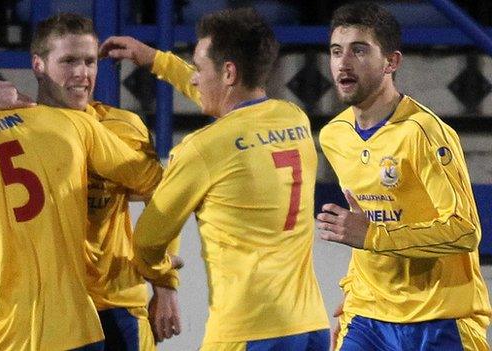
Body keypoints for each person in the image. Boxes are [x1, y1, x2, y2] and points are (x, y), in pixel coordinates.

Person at [0, 32, 163, 350]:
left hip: (16, 338)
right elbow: (156, 183)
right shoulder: (67, 123)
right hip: (83, 332)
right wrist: (159, 270)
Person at [100, 8, 330, 350]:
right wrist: (156, 61)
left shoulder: (201, 150)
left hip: (247, 330)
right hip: (310, 325)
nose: (193, 78)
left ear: (229, 73)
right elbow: (231, 103)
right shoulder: (293, 119)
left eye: (199, 68)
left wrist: (162, 273)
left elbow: (146, 241)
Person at [315, 2, 491, 350]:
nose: (343, 63)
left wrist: (375, 236)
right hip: (368, 317)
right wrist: (352, 296)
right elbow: (366, 221)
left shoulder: (423, 133)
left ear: (391, 62)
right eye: (336, 51)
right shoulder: (334, 136)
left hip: (437, 318)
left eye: (359, 50)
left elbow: (465, 231)